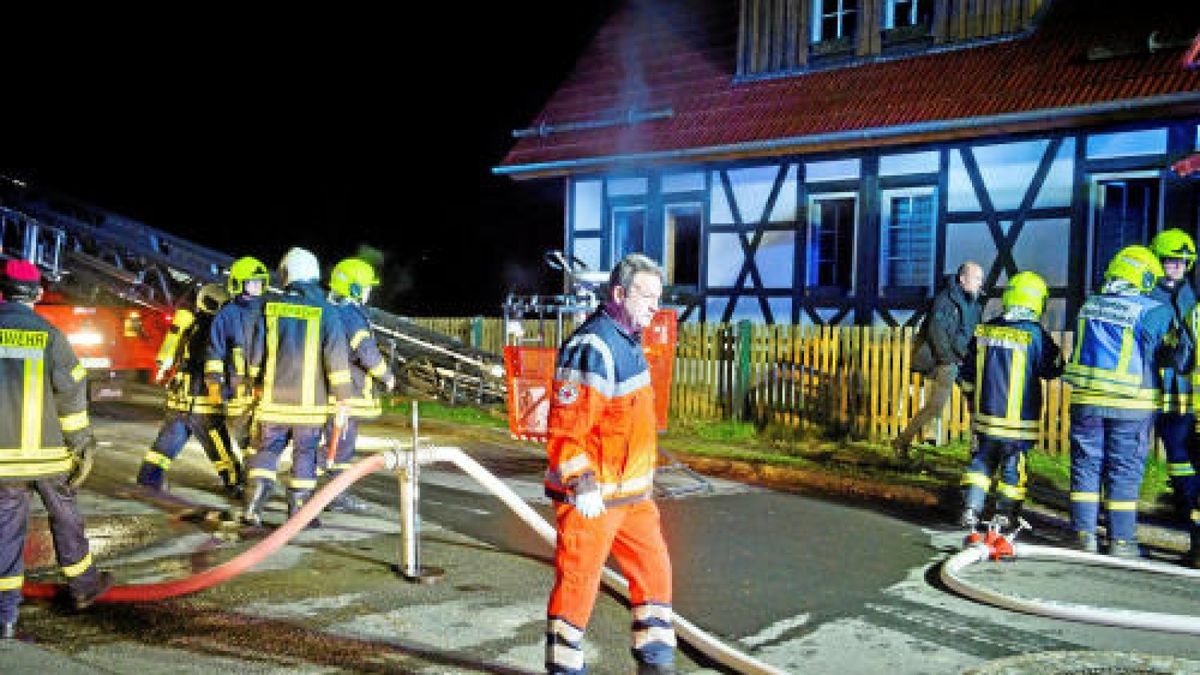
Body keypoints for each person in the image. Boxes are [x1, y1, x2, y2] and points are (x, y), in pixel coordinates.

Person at [543, 253, 674, 675]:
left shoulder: (628, 341)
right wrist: (580, 481)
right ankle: (564, 667)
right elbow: (567, 427)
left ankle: (655, 661)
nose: (655, 306)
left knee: (655, 574)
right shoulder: (593, 345)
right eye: (647, 296)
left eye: (659, 296)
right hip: (594, 497)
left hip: (631, 497)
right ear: (619, 293)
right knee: (578, 585)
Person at [0, 259, 112, 638]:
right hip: (49, 457)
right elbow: (71, 394)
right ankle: (84, 588)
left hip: (4, 462)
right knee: (66, 518)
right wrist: (81, 443)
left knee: (6, 534)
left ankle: (6, 618)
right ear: (37, 294)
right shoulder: (50, 334)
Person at [1063, 245, 1189, 557]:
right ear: (1144, 276)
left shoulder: (1089, 305)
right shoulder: (1153, 311)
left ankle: (1083, 537)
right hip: (1130, 404)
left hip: (1086, 402)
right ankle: (1121, 542)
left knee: (1086, 468)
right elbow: (1175, 355)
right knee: (1124, 470)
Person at [242, 247, 353, 527]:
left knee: (266, 452)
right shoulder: (327, 312)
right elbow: (337, 358)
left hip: (272, 403)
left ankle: (253, 507)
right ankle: (299, 516)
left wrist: (253, 383)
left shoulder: (270, 308)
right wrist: (343, 398)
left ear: (287, 274)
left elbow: (255, 354)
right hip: (310, 408)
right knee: (305, 455)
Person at [956, 271, 1063, 529]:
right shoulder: (1036, 335)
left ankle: (971, 509)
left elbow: (965, 374)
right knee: (1013, 470)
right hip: (1018, 425)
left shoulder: (984, 330)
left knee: (981, 463)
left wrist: (971, 397)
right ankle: (1005, 515)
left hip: (986, 420)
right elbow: (1055, 368)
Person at [137, 283, 244, 499]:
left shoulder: (189, 325)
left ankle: (148, 479)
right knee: (220, 449)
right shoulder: (216, 329)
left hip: (180, 401)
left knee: (163, 447)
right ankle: (236, 484)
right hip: (204, 404)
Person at [319, 257, 395, 514]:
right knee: (341, 447)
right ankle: (332, 495)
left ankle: (319, 489)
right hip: (347, 392)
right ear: (352, 288)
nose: (368, 292)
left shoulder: (331, 311)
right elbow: (366, 351)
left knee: (334, 444)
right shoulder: (351, 315)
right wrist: (387, 376)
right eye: (365, 287)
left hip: (331, 389)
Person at [893, 261, 984, 461]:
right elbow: (937, 331)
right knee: (935, 406)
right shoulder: (945, 300)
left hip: (964, 361)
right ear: (963, 279)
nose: (980, 283)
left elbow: (973, 334)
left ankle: (976, 454)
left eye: (980, 278)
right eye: (976, 278)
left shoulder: (974, 304)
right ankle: (901, 442)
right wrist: (947, 359)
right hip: (949, 361)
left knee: (977, 404)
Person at [1147, 229, 1199, 523]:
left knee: (1182, 455)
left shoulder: (1189, 294)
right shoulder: (1147, 294)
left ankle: (1186, 506)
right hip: (1148, 387)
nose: (1177, 266)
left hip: (1182, 392)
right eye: (1170, 260)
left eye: (1182, 261)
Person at [205, 256, 271, 452]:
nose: (257, 287)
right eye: (252, 282)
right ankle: (249, 473)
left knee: (263, 437)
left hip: (263, 386)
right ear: (237, 284)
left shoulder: (267, 311)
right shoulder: (227, 314)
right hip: (236, 388)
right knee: (241, 434)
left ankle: (254, 473)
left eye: (260, 282)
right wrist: (214, 385)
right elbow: (215, 352)